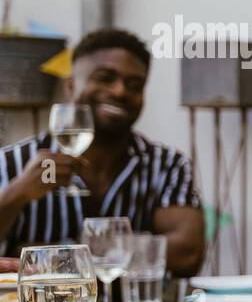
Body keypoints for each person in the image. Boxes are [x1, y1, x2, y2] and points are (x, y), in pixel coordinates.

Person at [0, 29, 204, 275]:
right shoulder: (12, 162)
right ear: (72, 85)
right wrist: (17, 193)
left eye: (134, 85)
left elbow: (188, 254)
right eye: (105, 78)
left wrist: (53, 253)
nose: (120, 91)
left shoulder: (167, 165)